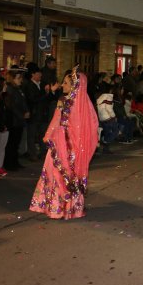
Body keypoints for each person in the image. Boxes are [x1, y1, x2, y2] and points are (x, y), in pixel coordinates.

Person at [29, 68, 98, 219]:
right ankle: (70, 208)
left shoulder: (71, 103)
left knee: (60, 175)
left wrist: (49, 136)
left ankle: (59, 208)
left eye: (66, 83)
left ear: (75, 86)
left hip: (65, 148)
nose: (62, 85)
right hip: (67, 147)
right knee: (64, 176)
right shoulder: (80, 104)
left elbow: (59, 123)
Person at [4, 70, 30, 170]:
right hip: (14, 121)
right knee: (11, 143)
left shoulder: (18, 89)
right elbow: (12, 106)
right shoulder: (10, 89)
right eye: (18, 78)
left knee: (16, 143)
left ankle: (15, 162)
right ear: (13, 79)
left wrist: (27, 111)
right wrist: (22, 115)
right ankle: (9, 164)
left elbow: (23, 101)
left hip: (19, 120)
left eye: (21, 78)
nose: (21, 80)